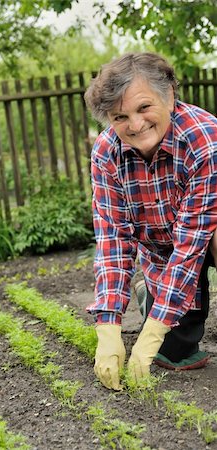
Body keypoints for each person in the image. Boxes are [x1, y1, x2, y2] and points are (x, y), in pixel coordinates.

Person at [84, 52, 217, 390]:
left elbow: (192, 244)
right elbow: (113, 239)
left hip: (206, 235)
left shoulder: (204, 140)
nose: (135, 124)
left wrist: (154, 327)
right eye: (120, 117)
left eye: (144, 108)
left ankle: (160, 310)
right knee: (173, 353)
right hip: (160, 250)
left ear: (169, 96)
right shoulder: (106, 152)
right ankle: (152, 295)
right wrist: (108, 325)